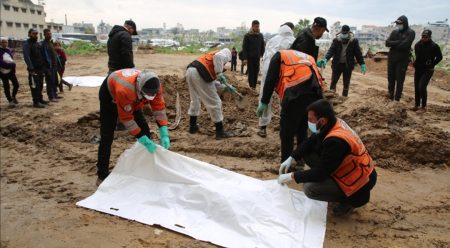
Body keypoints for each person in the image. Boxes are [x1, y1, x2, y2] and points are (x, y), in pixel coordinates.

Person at [278, 99, 377, 216]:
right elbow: (311, 141)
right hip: (348, 168)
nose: (308, 122)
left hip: (359, 183)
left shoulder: (335, 141)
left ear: (322, 120)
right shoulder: (333, 123)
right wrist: (291, 158)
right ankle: (334, 186)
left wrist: (292, 176)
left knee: (310, 188)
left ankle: (347, 201)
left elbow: (321, 172)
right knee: (307, 153)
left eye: (310, 120)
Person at [96, 69, 170, 185]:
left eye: (152, 95)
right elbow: (126, 118)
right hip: (110, 95)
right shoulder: (124, 90)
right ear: (140, 88)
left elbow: (159, 108)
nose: (151, 97)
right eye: (148, 95)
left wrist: (164, 132)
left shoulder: (155, 87)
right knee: (107, 135)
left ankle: (146, 164)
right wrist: (141, 138)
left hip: (135, 97)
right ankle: (102, 174)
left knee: (144, 129)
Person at [257, 48, 323, 164]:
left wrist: (264, 101)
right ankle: (301, 161)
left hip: (295, 95)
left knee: (287, 132)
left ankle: (285, 165)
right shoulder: (307, 56)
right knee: (302, 128)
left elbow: (270, 79)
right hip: (315, 95)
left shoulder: (278, 55)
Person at [186, 48, 235, 139]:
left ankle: (192, 127)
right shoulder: (224, 53)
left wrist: (226, 87)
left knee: (195, 99)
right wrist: (219, 73)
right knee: (215, 103)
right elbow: (219, 57)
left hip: (191, 71)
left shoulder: (209, 60)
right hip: (200, 74)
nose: (225, 63)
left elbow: (210, 83)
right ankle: (220, 132)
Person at [257, 22, 295, 138]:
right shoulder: (294, 41)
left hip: (267, 72)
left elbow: (264, 57)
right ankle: (284, 125)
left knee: (265, 98)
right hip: (285, 74)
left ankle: (263, 128)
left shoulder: (272, 40)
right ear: (291, 30)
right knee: (285, 98)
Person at [317, 25, 366, 97]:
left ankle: (344, 98)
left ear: (349, 33)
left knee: (346, 83)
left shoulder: (354, 41)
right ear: (341, 32)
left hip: (348, 66)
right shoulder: (336, 40)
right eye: (343, 33)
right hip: (337, 65)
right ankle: (332, 96)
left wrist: (362, 64)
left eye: (345, 33)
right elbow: (331, 51)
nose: (344, 35)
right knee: (333, 82)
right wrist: (325, 59)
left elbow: (358, 53)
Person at [385, 15, 415, 102]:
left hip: (402, 60)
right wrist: (399, 42)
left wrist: (393, 44)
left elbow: (405, 45)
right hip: (392, 59)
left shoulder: (410, 32)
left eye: (400, 23)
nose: (398, 25)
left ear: (404, 23)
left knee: (399, 79)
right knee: (391, 79)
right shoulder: (395, 32)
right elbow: (387, 43)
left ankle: (397, 98)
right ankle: (390, 95)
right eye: (397, 23)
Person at [412, 30, 442, 113]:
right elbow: (417, 56)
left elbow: (440, 57)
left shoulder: (434, 46)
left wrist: (432, 64)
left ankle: (423, 107)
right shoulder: (417, 45)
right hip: (418, 69)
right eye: (422, 36)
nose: (423, 38)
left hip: (428, 70)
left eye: (426, 37)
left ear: (429, 37)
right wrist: (415, 63)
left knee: (421, 87)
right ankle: (417, 105)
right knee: (416, 87)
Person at [23, 28, 48, 108]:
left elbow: (41, 56)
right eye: (34, 33)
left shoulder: (37, 44)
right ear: (29, 34)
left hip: (40, 68)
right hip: (33, 69)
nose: (35, 35)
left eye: (36, 33)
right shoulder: (27, 44)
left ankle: (40, 99)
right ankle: (36, 102)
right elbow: (27, 57)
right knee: (35, 86)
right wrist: (31, 68)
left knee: (40, 85)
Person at [242, 20, 265, 90]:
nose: (257, 28)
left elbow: (262, 46)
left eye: (258, 26)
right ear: (252, 26)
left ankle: (254, 86)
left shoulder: (260, 35)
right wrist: (245, 58)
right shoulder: (247, 36)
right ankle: (251, 86)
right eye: (256, 26)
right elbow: (244, 48)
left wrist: (263, 55)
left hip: (257, 57)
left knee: (256, 72)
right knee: (251, 72)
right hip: (250, 58)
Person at [41, 29, 61, 102]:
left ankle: (55, 95)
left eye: (50, 34)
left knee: (55, 81)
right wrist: (46, 68)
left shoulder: (50, 43)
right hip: (49, 67)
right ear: (44, 35)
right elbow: (44, 57)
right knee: (49, 82)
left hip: (54, 66)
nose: (49, 35)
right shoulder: (44, 44)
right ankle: (51, 96)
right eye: (48, 34)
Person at [0, 37, 19, 106]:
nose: (5, 43)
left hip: (11, 71)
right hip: (3, 72)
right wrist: (11, 65)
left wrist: (12, 66)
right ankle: (10, 100)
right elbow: (1, 63)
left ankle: (13, 96)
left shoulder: (8, 50)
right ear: (0, 43)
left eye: (6, 42)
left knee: (16, 84)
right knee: (6, 86)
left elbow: (11, 58)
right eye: (3, 42)